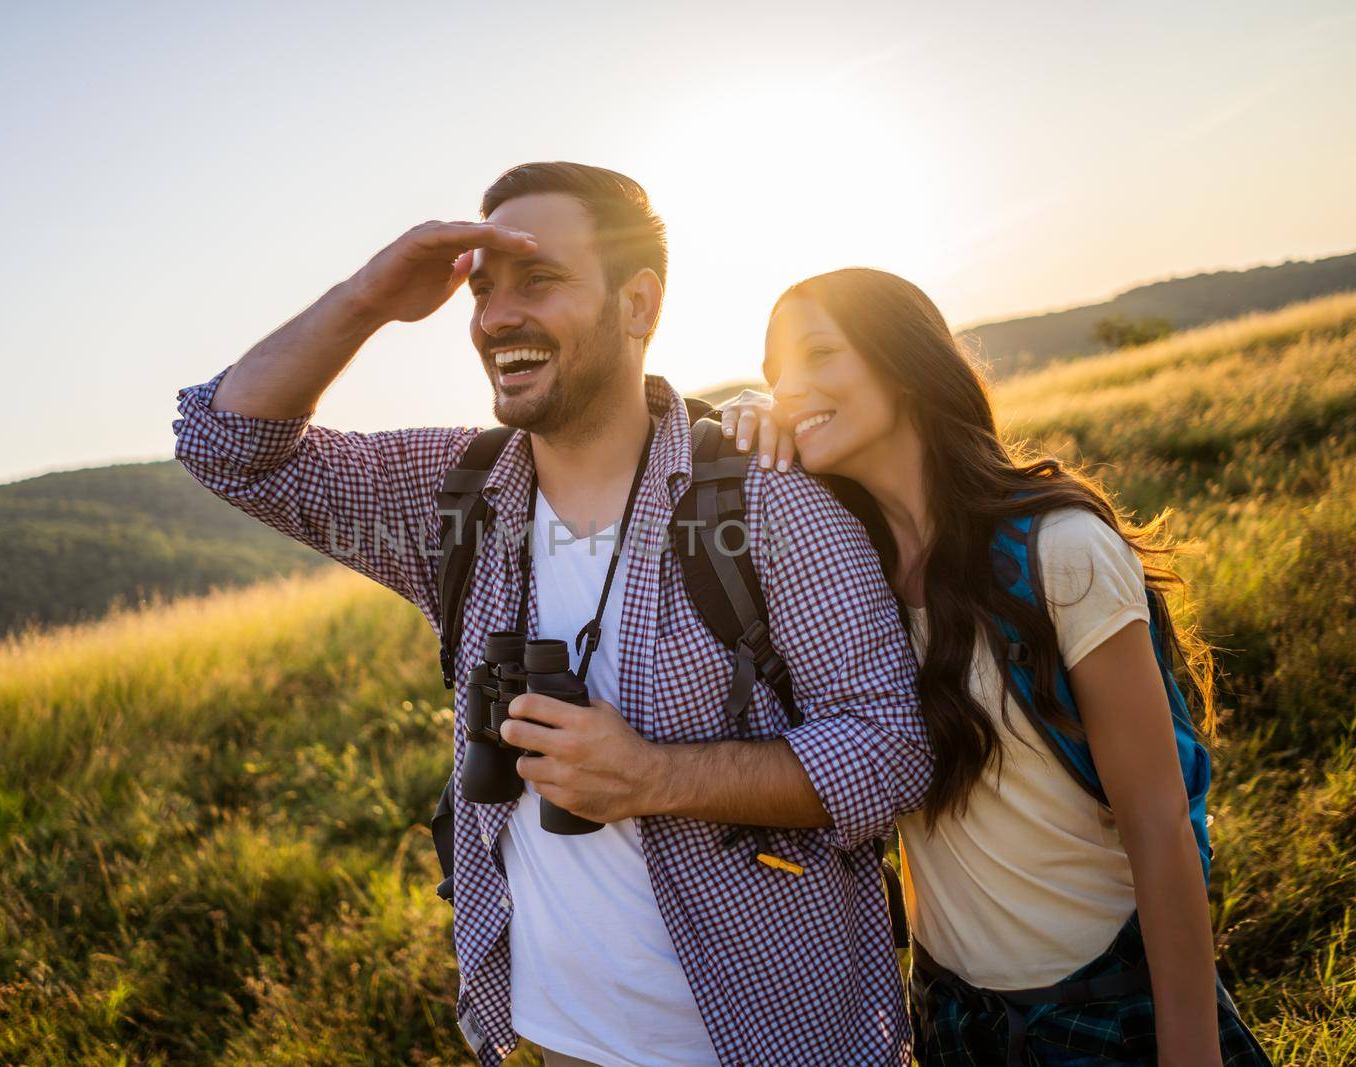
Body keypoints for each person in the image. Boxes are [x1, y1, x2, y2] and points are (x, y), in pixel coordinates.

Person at [171, 164, 931, 1066]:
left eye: (540, 280)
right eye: (482, 290)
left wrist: (651, 777)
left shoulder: (766, 503)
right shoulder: (453, 497)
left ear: (638, 304)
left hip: (769, 1035)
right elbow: (224, 447)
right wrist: (370, 295)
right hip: (556, 1036)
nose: (495, 318)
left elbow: (894, 750)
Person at [720, 267, 1271, 1066]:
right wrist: (740, 419)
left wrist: (1189, 1049)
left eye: (817, 355)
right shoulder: (846, 580)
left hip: (1106, 1014)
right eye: (775, 374)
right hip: (952, 1023)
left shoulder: (1059, 552)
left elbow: (1158, 823)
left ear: (904, 363)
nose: (788, 388)